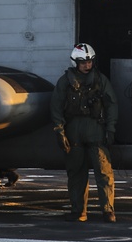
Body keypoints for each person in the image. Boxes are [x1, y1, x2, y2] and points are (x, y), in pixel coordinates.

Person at [50, 43, 118, 222]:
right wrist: (60, 131)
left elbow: (112, 105)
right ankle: (78, 211)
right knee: (76, 173)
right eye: (83, 62)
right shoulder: (65, 82)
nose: (87, 65)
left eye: (89, 62)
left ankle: (108, 210)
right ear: (75, 62)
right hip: (74, 132)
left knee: (103, 172)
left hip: (95, 130)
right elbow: (56, 107)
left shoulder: (100, 80)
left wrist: (111, 128)